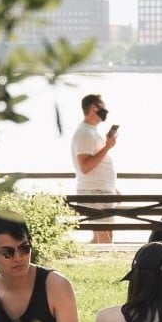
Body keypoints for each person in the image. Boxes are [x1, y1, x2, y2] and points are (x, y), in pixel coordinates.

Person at [70, 93, 118, 243]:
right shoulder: (85, 133)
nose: (105, 111)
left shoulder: (90, 131)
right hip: (95, 193)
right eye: (102, 107)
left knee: (102, 236)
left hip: (101, 191)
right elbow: (84, 166)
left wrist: (112, 188)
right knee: (105, 239)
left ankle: (86, 258)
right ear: (93, 108)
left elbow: (97, 163)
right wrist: (107, 147)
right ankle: (106, 263)